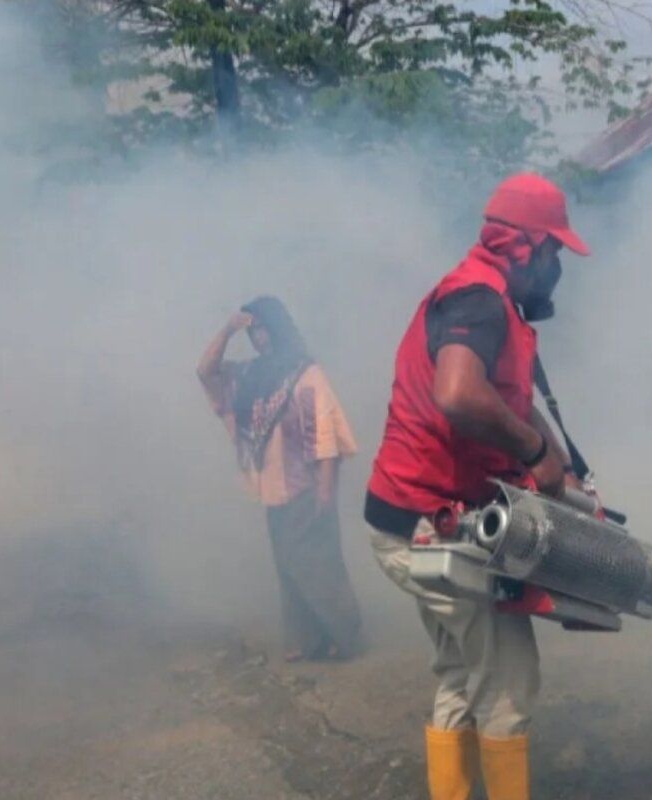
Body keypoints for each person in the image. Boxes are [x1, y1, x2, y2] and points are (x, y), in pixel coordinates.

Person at [364, 173, 590, 800]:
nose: (557, 272)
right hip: (429, 519)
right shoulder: (478, 301)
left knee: (462, 675)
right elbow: (460, 394)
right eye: (556, 256)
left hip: (405, 517)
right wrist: (535, 451)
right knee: (508, 684)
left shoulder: (486, 298)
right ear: (529, 247)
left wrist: (558, 462)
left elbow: (506, 397)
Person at [198, 295, 362, 662]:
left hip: (307, 486)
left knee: (317, 566)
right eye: (253, 332)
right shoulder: (252, 376)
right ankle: (308, 642)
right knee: (289, 568)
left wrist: (324, 490)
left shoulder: (306, 373)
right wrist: (228, 329)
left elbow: (325, 433)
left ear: (279, 328)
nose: (259, 338)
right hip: (274, 489)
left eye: (263, 329)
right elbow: (206, 372)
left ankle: (344, 636)